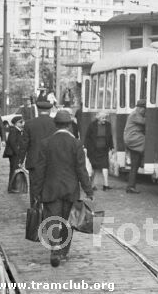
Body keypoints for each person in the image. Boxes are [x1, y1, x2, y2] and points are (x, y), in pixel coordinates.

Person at [31, 109, 94, 267]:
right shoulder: (76, 144)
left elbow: (40, 170)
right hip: (70, 189)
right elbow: (81, 170)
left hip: (50, 189)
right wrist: (89, 190)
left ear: (55, 124)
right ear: (69, 125)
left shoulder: (46, 143)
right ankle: (64, 252)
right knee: (69, 222)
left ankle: (54, 250)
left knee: (52, 220)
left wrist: (36, 192)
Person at [23, 101, 57, 205]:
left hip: (34, 160)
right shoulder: (55, 123)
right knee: (50, 186)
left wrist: (20, 160)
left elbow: (25, 143)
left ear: (37, 110)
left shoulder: (29, 123)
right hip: (52, 161)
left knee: (34, 187)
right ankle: (48, 210)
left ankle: (35, 210)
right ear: (50, 110)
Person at [84, 112, 113, 191]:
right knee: (95, 168)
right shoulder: (92, 125)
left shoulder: (108, 125)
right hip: (93, 150)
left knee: (105, 166)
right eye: (103, 118)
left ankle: (106, 185)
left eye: (105, 118)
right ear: (98, 118)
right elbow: (87, 137)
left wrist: (112, 147)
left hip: (104, 149)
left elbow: (110, 137)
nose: (105, 120)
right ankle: (92, 185)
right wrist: (85, 147)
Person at [122, 99, 146, 194]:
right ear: (140, 108)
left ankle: (130, 186)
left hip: (133, 140)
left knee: (134, 166)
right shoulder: (135, 115)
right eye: (144, 109)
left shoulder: (135, 114)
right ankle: (130, 186)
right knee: (135, 165)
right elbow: (145, 122)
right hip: (134, 139)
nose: (145, 111)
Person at [3, 116, 26, 191]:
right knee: (13, 169)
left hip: (15, 153)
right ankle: (11, 186)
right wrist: (17, 152)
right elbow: (12, 142)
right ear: (16, 123)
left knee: (16, 168)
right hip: (13, 154)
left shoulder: (18, 130)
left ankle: (15, 185)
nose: (22, 123)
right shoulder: (14, 130)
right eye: (20, 122)